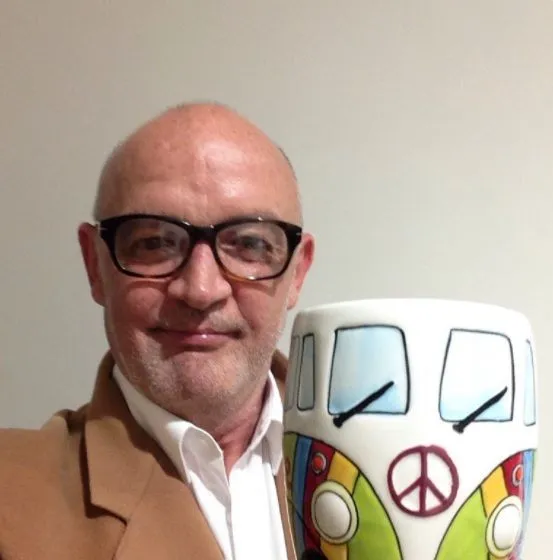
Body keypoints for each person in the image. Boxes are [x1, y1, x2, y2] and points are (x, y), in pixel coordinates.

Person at [0, 102, 315, 559]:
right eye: (154, 243)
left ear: (297, 273)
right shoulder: (11, 500)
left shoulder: (401, 465)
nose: (201, 290)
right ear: (94, 264)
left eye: (249, 244)